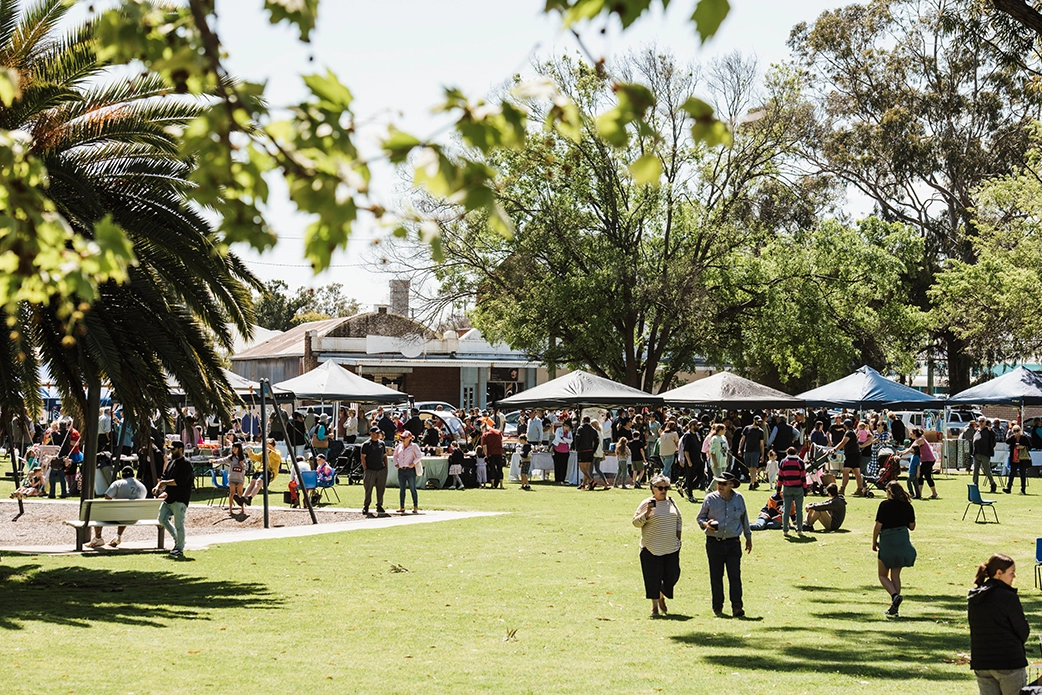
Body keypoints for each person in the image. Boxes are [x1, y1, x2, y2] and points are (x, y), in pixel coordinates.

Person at [968, 553, 1029, 695]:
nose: (1014, 577)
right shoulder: (1009, 597)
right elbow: (1022, 630)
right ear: (999, 573)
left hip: (982, 660)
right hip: (1009, 661)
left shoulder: (975, 597)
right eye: (1012, 573)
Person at [696, 471, 753, 617]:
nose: (719, 486)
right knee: (716, 576)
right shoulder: (710, 499)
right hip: (714, 542)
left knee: (735, 575)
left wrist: (748, 537)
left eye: (723, 483)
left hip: (733, 542)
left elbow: (744, 518)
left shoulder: (739, 498)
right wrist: (705, 524)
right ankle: (717, 606)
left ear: (731, 485)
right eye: (718, 483)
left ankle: (737, 606)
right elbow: (700, 517)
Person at [632, 474, 683, 618]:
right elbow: (635, 523)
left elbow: (679, 519)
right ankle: (654, 607)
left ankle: (661, 594)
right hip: (651, 548)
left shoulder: (671, 502)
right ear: (652, 489)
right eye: (660, 488)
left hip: (671, 547)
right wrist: (647, 513)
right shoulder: (646, 503)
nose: (663, 490)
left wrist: (678, 538)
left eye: (666, 487)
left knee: (673, 575)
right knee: (652, 578)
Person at [872, 481, 916, 617]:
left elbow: (878, 526)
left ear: (889, 492)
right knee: (895, 574)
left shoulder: (884, 505)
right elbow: (912, 526)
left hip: (888, 540)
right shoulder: (907, 506)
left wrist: (874, 542)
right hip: (902, 539)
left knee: (882, 575)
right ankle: (894, 607)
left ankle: (894, 596)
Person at [87, 465, 147, 548]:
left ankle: (98, 538)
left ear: (122, 475)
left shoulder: (118, 483)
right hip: (134, 517)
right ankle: (118, 536)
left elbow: (107, 497)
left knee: (97, 511)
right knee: (127, 512)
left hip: (119, 516)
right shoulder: (142, 486)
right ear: (133, 474)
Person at [155, 440, 192, 558]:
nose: (171, 451)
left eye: (173, 449)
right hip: (169, 498)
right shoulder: (171, 463)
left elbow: (180, 481)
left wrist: (164, 483)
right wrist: (158, 487)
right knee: (161, 519)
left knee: (179, 524)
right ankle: (178, 539)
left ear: (180, 449)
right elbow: (164, 477)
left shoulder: (186, 464)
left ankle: (179, 548)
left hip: (180, 499)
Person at [830, 419, 867, 497]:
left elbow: (843, 442)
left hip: (851, 454)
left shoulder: (849, 433)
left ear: (845, 425)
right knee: (857, 473)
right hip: (856, 454)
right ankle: (860, 489)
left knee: (845, 471)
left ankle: (842, 489)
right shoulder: (852, 432)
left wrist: (834, 449)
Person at [776, 446, 807, 537]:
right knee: (799, 510)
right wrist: (805, 490)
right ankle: (799, 529)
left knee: (786, 509)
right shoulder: (800, 462)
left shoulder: (783, 462)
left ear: (787, 453)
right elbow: (803, 477)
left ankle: (785, 530)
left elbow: (780, 478)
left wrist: (778, 490)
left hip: (787, 488)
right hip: (798, 488)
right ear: (796, 453)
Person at [211, 441, 248, 515]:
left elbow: (246, 468)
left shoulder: (243, 458)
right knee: (232, 493)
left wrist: (242, 464)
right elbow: (223, 460)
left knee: (240, 493)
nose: (234, 449)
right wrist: (214, 461)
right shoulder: (231, 458)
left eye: (235, 448)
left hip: (240, 478)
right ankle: (230, 509)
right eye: (233, 448)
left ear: (239, 449)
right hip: (232, 478)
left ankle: (242, 508)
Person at [241, 438, 281, 506]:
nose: (267, 449)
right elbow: (255, 457)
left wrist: (270, 452)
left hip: (269, 471)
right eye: (266, 447)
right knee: (253, 482)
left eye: (270, 447)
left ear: (274, 447)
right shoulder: (263, 453)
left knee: (259, 482)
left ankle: (250, 498)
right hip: (260, 470)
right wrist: (250, 452)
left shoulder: (277, 453)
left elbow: (277, 457)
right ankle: (243, 497)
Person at [359, 426, 388, 516]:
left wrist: (386, 468)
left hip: (381, 469)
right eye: (376, 433)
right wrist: (365, 469)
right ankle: (366, 505)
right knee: (368, 489)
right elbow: (363, 457)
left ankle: (379, 505)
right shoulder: (366, 444)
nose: (377, 435)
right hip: (370, 470)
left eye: (378, 433)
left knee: (381, 488)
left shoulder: (381, 444)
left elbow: (384, 456)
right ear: (371, 433)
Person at [394, 430, 422, 514]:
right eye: (402, 438)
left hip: (410, 470)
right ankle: (402, 506)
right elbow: (395, 456)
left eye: (405, 438)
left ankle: (415, 506)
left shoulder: (414, 446)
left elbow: (419, 455)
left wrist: (413, 463)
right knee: (402, 489)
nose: (403, 440)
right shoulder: (399, 447)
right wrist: (396, 463)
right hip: (401, 470)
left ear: (409, 438)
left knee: (412, 488)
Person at [737, 416, 765, 491]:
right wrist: (739, 449)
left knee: (753, 467)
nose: (759, 422)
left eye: (760, 421)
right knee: (749, 467)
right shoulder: (747, 428)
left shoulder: (760, 431)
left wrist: (762, 455)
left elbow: (761, 444)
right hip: (747, 450)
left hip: (756, 451)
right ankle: (754, 481)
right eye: (758, 421)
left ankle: (751, 483)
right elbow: (742, 440)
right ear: (754, 420)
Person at [972, 417, 998, 493]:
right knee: (975, 470)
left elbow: (994, 440)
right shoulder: (977, 431)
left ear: (985, 422)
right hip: (976, 453)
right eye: (979, 421)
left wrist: (989, 448)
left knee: (986, 470)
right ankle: (975, 485)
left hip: (985, 453)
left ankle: (992, 483)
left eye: (982, 421)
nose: (981, 422)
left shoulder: (989, 431)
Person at [1004, 425, 1031, 495]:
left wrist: (1023, 447)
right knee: (1012, 474)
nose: (1016, 432)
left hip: (1022, 459)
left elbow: (1030, 446)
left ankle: (1023, 489)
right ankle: (1008, 488)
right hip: (1014, 458)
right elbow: (1007, 441)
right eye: (1014, 431)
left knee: (1022, 474)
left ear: (1020, 431)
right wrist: (1013, 436)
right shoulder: (1013, 438)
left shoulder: (1024, 438)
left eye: (1017, 431)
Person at [574, 416, 599, 490]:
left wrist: (577, 448)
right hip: (590, 451)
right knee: (587, 469)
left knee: (582, 468)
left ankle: (591, 481)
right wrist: (594, 450)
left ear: (583, 420)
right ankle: (583, 485)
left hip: (582, 450)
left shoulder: (580, 428)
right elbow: (597, 441)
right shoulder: (593, 430)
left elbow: (577, 439)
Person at [481, 422, 505, 490]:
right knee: (500, 468)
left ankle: (493, 484)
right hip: (499, 452)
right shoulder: (498, 432)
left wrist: (486, 455)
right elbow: (501, 442)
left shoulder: (485, 435)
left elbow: (484, 447)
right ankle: (501, 485)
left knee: (492, 469)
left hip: (491, 453)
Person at [707, 424, 728, 492]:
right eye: (724, 429)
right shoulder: (714, 439)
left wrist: (726, 459)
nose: (725, 431)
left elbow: (725, 449)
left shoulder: (724, 437)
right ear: (721, 430)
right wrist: (715, 461)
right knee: (718, 477)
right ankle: (709, 489)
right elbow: (712, 452)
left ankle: (719, 491)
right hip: (717, 460)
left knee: (723, 477)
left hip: (723, 460)